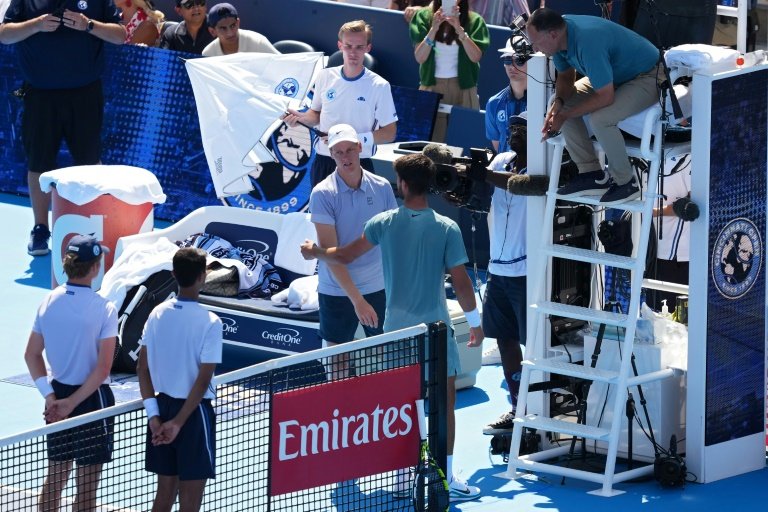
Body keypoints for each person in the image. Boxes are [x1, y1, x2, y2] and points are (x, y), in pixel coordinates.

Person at [301, 153, 484, 503]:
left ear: (401, 185)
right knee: (444, 404)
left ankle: (403, 477)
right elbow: (461, 284)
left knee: (404, 406)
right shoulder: (447, 228)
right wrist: (475, 324)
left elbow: (342, 256)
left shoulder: (383, 223)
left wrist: (315, 251)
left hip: (397, 333)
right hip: (436, 333)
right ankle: (442, 476)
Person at [0, 0, 125, 256]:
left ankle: (94, 230)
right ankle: (40, 229)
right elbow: (5, 35)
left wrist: (88, 24)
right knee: (39, 163)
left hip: (85, 94)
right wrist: (36, 25)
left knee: (90, 163)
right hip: (40, 94)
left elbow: (120, 35)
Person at [526, 7, 661, 205]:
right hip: (616, 76)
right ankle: (592, 175)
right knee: (562, 106)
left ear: (553, 34)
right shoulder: (560, 37)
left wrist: (564, 116)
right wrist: (559, 105)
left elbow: (605, 97)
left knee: (601, 120)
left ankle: (626, 183)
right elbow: (565, 76)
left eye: (535, 43)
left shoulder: (587, 41)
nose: (535, 49)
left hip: (649, 75)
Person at [24, 234, 118, 511]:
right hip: (92, 402)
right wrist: (71, 404)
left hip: (57, 397)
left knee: (54, 481)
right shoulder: (105, 308)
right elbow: (102, 370)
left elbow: (31, 354)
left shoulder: (48, 301)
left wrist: (52, 398)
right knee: (86, 491)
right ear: (94, 268)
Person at [137, 247, 223, 512]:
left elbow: (142, 369)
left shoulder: (156, 314)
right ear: (203, 276)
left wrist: (155, 417)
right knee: (190, 500)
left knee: (164, 493)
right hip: (193, 415)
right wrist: (178, 423)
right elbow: (203, 379)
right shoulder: (211, 321)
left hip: (162, 409)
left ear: (174, 274)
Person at [310, 124, 397, 378]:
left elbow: (391, 240)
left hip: (378, 286)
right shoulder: (322, 194)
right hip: (337, 289)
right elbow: (331, 254)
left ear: (360, 148)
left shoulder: (382, 187)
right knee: (337, 363)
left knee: (387, 358)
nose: (345, 157)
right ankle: (341, 415)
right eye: (338, 152)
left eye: (350, 150)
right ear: (331, 154)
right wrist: (358, 300)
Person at [283, 20, 398, 187]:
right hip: (324, 161)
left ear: (368, 48)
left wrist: (350, 141)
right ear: (340, 45)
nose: (353, 52)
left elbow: (389, 133)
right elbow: (316, 115)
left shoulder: (379, 86)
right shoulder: (324, 76)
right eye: (349, 46)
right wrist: (300, 118)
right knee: (321, 214)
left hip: (359, 163)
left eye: (359, 47)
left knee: (359, 214)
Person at [479, 35, 526, 368]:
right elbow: (498, 149)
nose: (512, 67)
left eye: (519, 60)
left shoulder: (547, 100)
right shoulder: (495, 103)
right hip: (504, 190)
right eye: (507, 61)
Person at [409, 0, 489, 141]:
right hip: (432, 88)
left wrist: (459, 29)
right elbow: (420, 57)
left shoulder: (475, 20)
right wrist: (433, 29)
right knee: (429, 142)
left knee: (463, 140)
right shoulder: (423, 17)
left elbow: (475, 57)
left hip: (463, 89)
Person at [648, 153, 691, 311]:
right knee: (655, 315)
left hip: (681, 256)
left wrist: (654, 212)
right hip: (654, 252)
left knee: (679, 319)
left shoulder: (691, 157)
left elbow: (692, 204)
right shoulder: (648, 153)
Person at [202, 3, 279, 57]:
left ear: (238, 23)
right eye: (223, 28)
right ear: (212, 31)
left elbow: (283, 64)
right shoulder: (208, 53)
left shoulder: (258, 42)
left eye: (233, 25)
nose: (230, 33)